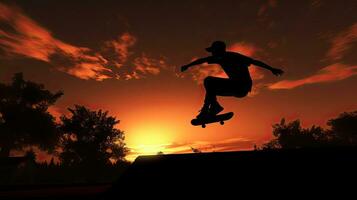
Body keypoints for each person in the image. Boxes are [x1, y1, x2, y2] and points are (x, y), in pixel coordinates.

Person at [181, 41, 284, 119]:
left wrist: (271, 69)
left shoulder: (234, 56)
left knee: (209, 81)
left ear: (219, 50)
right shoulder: (219, 58)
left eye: (213, 51)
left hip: (242, 86)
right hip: (235, 88)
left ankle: (209, 109)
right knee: (211, 88)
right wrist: (188, 65)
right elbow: (203, 60)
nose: (212, 54)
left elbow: (254, 62)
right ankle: (214, 107)